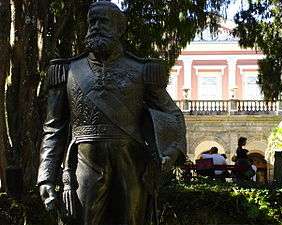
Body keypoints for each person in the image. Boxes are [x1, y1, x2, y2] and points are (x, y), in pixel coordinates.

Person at [37, 1, 186, 225]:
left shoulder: (142, 70)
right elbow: (53, 128)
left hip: (131, 166)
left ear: (119, 28)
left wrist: (171, 151)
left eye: (103, 21)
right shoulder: (66, 71)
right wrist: (46, 176)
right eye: (92, 22)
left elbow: (172, 114)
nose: (95, 26)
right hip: (83, 165)